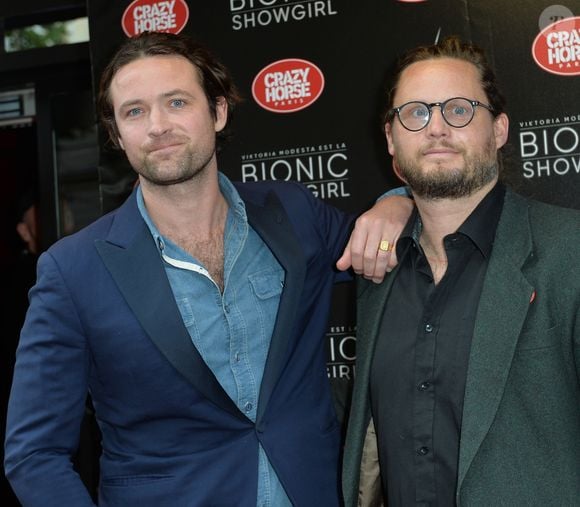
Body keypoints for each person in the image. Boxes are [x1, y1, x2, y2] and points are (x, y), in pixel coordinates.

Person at [4, 31, 413, 506]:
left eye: (176, 102)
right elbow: (33, 454)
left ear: (217, 112)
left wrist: (396, 203)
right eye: (134, 111)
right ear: (117, 135)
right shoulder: (73, 271)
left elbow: (377, 243)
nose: (157, 125)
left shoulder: (293, 215)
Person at [342, 35, 580, 506]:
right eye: (415, 112)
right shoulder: (378, 268)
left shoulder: (567, 250)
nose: (436, 128)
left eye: (459, 109)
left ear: (499, 130)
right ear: (390, 138)